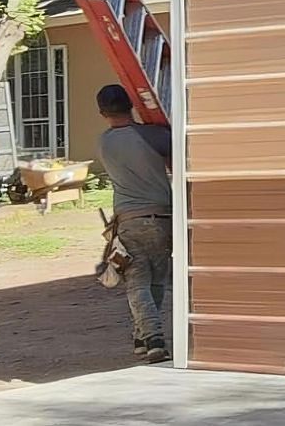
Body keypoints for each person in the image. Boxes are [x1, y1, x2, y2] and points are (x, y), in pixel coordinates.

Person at [96, 84, 173, 364]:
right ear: (131, 105)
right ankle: (143, 339)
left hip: (129, 222)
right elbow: (172, 148)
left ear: (102, 112)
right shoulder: (156, 136)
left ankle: (152, 338)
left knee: (137, 282)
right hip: (163, 218)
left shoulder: (104, 142)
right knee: (157, 281)